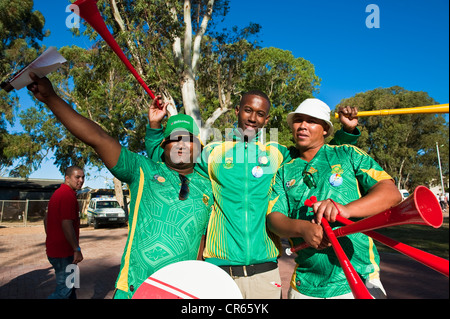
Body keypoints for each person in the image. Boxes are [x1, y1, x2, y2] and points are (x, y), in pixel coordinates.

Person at [145, 91, 361, 298]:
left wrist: (347, 133)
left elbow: (320, 156)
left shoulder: (278, 153)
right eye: (248, 110)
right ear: (238, 111)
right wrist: (154, 127)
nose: (253, 118)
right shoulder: (212, 152)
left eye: (260, 114)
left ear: (266, 120)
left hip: (265, 270)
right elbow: (170, 163)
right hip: (220, 270)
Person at [27, 72, 214, 299]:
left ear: (200, 147)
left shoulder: (208, 187)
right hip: (134, 289)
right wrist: (51, 98)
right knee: (65, 289)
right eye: (174, 139)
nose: (181, 144)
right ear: (164, 146)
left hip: (182, 291)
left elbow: (202, 243)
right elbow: (98, 138)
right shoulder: (143, 170)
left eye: (188, 138)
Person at [267, 98, 402, 299]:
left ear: (325, 130)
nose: (303, 126)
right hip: (305, 285)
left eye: (312, 121)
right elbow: (273, 218)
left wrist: (345, 210)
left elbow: (391, 193)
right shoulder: (284, 170)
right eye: (298, 120)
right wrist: (302, 229)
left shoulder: (347, 153)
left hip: (358, 279)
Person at [45, 165, 85, 299]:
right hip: (64, 253)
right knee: (64, 290)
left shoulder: (59, 193)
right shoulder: (67, 195)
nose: (81, 180)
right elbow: (67, 223)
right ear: (67, 178)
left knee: (72, 286)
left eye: (83, 177)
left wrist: (52, 237)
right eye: (77, 177)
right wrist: (76, 249)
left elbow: (45, 219)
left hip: (60, 250)